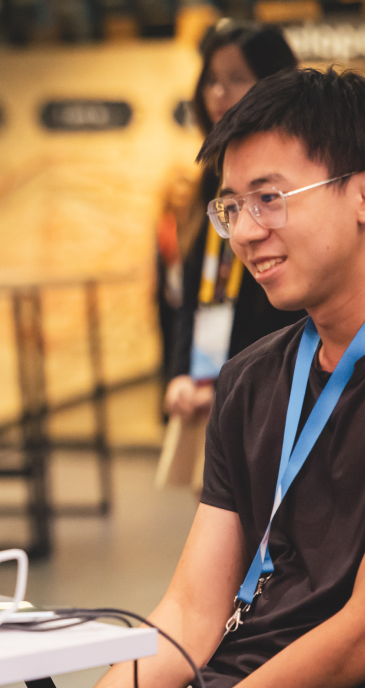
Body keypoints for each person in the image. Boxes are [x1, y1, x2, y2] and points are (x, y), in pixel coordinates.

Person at [99, 67, 365, 688]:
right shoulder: (248, 382)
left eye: (270, 198)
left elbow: (358, 636)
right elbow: (192, 611)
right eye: (232, 207)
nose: (245, 233)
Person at [162, 20, 303, 418]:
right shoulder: (208, 178)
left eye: (235, 78)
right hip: (214, 395)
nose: (218, 94)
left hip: (280, 389)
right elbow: (194, 293)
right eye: (210, 80)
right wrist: (182, 375)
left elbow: (293, 303)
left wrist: (233, 381)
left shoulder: (301, 174)